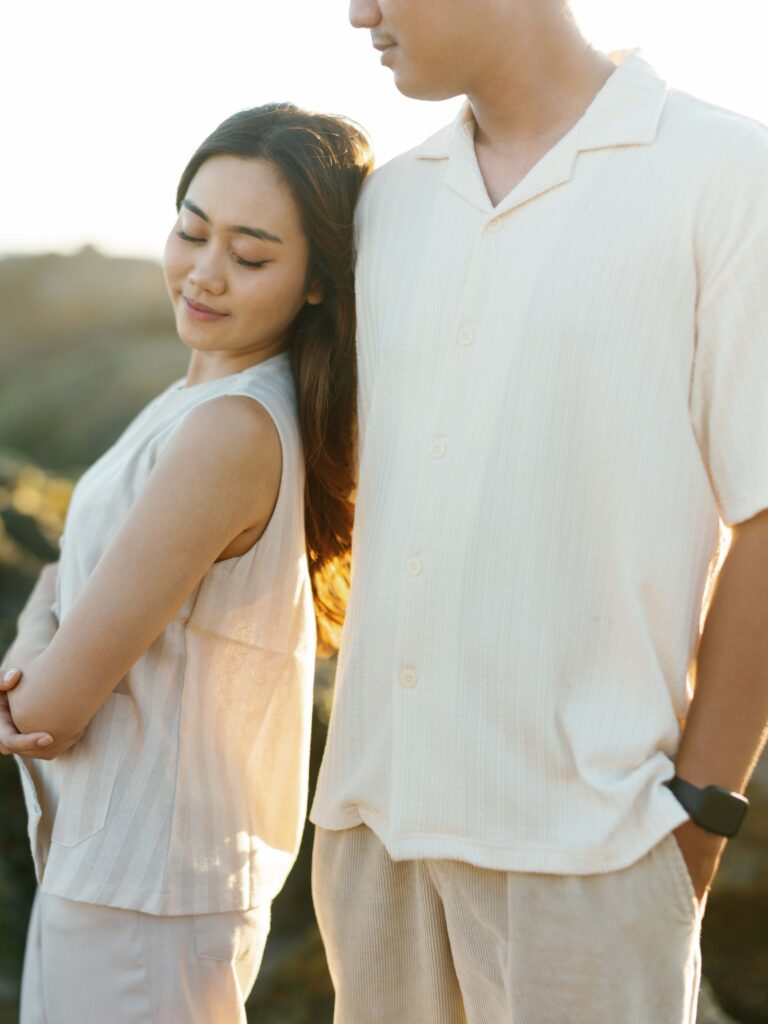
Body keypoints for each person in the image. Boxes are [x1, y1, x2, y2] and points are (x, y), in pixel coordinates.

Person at [308, 2, 768, 1022]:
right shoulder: (389, 204)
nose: (357, 13)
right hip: (371, 837)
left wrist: (696, 820)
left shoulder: (727, 171)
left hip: (597, 853)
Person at [0, 102, 372, 1023]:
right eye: (190, 231)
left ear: (319, 282)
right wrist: (43, 631)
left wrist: (38, 646)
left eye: (249, 257)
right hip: (117, 867)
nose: (204, 273)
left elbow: (46, 709)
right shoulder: (194, 395)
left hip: (148, 899)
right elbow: (59, 587)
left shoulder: (232, 429)